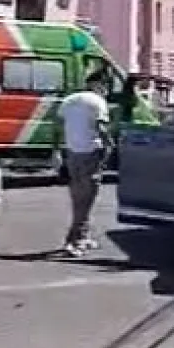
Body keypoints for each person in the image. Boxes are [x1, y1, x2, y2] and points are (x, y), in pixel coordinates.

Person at [58, 70, 113, 257]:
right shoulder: (98, 102)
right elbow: (101, 127)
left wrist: (57, 150)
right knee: (87, 198)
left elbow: (57, 126)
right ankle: (74, 240)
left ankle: (83, 235)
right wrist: (110, 145)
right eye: (105, 85)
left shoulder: (69, 100)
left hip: (72, 153)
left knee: (78, 196)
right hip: (91, 152)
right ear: (98, 84)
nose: (106, 90)